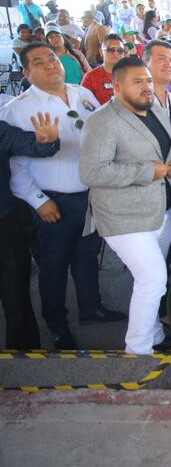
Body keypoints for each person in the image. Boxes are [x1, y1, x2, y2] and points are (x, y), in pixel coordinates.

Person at [0, 43, 124, 349]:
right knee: (54, 266)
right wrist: (39, 200)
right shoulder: (17, 108)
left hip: (91, 195)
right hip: (53, 201)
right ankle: (57, 325)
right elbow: (16, 166)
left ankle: (91, 308)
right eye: (39, 63)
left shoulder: (81, 94)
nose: (50, 65)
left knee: (86, 257)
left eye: (52, 58)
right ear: (27, 73)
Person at [79, 57, 171, 355]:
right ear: (118, 85)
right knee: (153, 279)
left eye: (148, 80)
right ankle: (138, 353)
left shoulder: (157, 109)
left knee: (153, 278)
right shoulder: (102, 121)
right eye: (138, 81)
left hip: (160, 210)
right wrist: (149, 170)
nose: (147, 86)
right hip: (122, 217)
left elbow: (170, 147)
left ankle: (155, 335)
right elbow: (92, 172)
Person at [0, 112, 60, 349]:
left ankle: (25, 358)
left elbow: (31, 144)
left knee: (16, 296)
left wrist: (46, 141)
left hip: (5, 225)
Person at [80, 33, 128, 104]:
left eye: (120, 50)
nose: (115, 53)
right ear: (101, 52)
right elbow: (83, 103)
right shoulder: (90, 77)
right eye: (110, 49)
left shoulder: (130, 75)